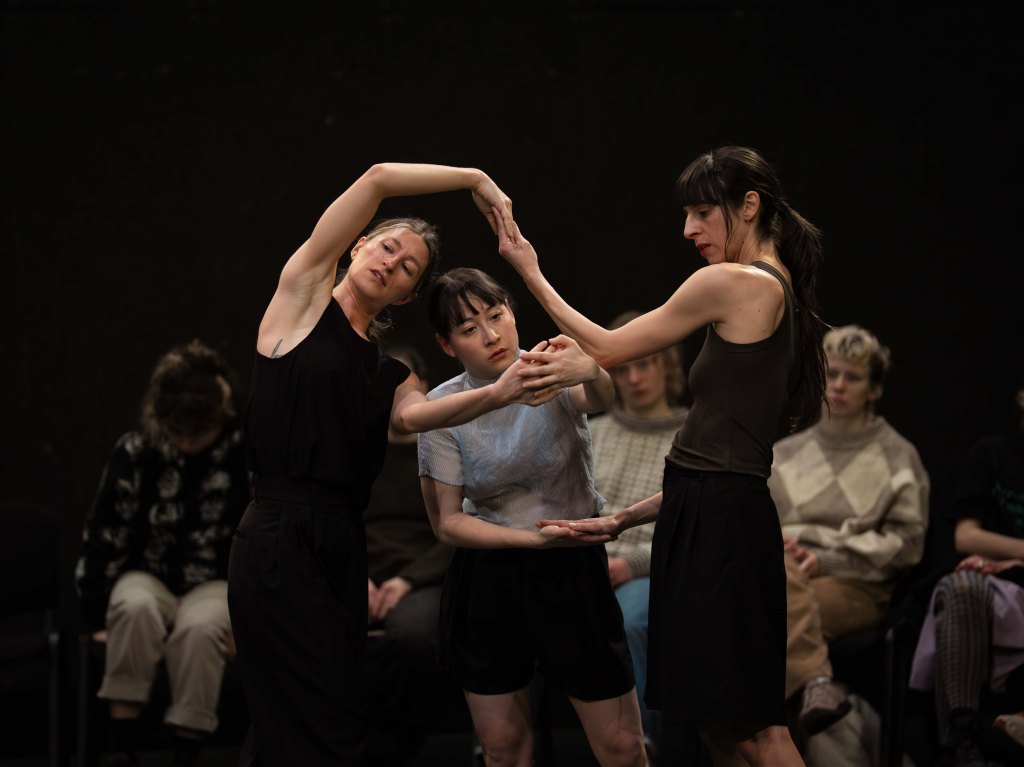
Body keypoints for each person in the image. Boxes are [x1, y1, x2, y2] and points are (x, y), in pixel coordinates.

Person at [495, 146, 828, 766]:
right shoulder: (773, 285)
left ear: (749, 206)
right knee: (719, 727)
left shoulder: (736, 283)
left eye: (703, 212)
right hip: (709, 515)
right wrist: (625, 518)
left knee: (755, 731)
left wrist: (529, 271)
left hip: (722, 528)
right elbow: (714, 463)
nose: (689, 230)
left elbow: (608, 349)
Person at [226, 162, 561, 767]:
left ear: (406, 295)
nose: (391, 263)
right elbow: (378, 179)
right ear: (357, 246)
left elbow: (416, 417)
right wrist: (474, 179)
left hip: (340, 542)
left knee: (336, 709)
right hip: (277, 534)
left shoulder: (392, 373)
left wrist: (500, 392)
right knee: (291, 718)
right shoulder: (301, 300)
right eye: (387, 247)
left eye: (407, 267)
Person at [417, 267, 648, 767]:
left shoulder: (548, 368)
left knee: (623, 747)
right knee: (504, 751)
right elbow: (448, 523)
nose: (491, 335)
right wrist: (532, 540)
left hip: (572, 569)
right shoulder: (442, 407)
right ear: (446, 344)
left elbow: (600, 398)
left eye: (496, 315)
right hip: (491, 574)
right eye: (469, 328)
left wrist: (592, 370)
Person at [76, 339, 248, 767]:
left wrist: (248, 623)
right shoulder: (136, 451)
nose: (187, 443)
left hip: (213, 581)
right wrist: (98, 616)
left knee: (202, 629)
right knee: (132, 608)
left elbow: (258, 542)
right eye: (178, 434)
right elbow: (106, 532)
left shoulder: (242, 452)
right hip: (147, 574)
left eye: (198, 435)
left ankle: (185, 753)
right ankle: (123, 747)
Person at [767, 324, 930, 738]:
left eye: (853, 377)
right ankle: (816, 686)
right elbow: (753, 525)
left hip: (857, 586)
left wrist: (826, 560)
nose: (838, 386)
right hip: (781, 570)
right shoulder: (784, 453)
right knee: (770, 595)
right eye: (832, 373)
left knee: (765, 619)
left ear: (874, 389)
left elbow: (908, 544)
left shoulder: (898, 456)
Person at [589, 310, 689, 758]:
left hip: (656, 570)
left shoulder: (693, 433)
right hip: (588, 565)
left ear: (666, 364)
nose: (633, 378)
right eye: (622, 369)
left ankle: (639, 746)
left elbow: (694, 527)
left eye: (643, 363)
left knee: (627, 622)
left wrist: (632, 564)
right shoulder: (591, 432)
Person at [909, 378, 1024, 767]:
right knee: (959, 586)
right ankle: (961, 736)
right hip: (997, 583)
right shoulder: (993, 455)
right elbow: (966, 536)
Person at [362, 342, 459, 766]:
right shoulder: (356, 453)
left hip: (423, 577)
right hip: (358, 574)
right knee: (313, 632)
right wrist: (357, 577)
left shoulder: (442, 449)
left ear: (423, 390)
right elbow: (334, 526)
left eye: (402, 386)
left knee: (414, 639)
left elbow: (457, 531)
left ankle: (390, 753)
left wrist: (408, 580)